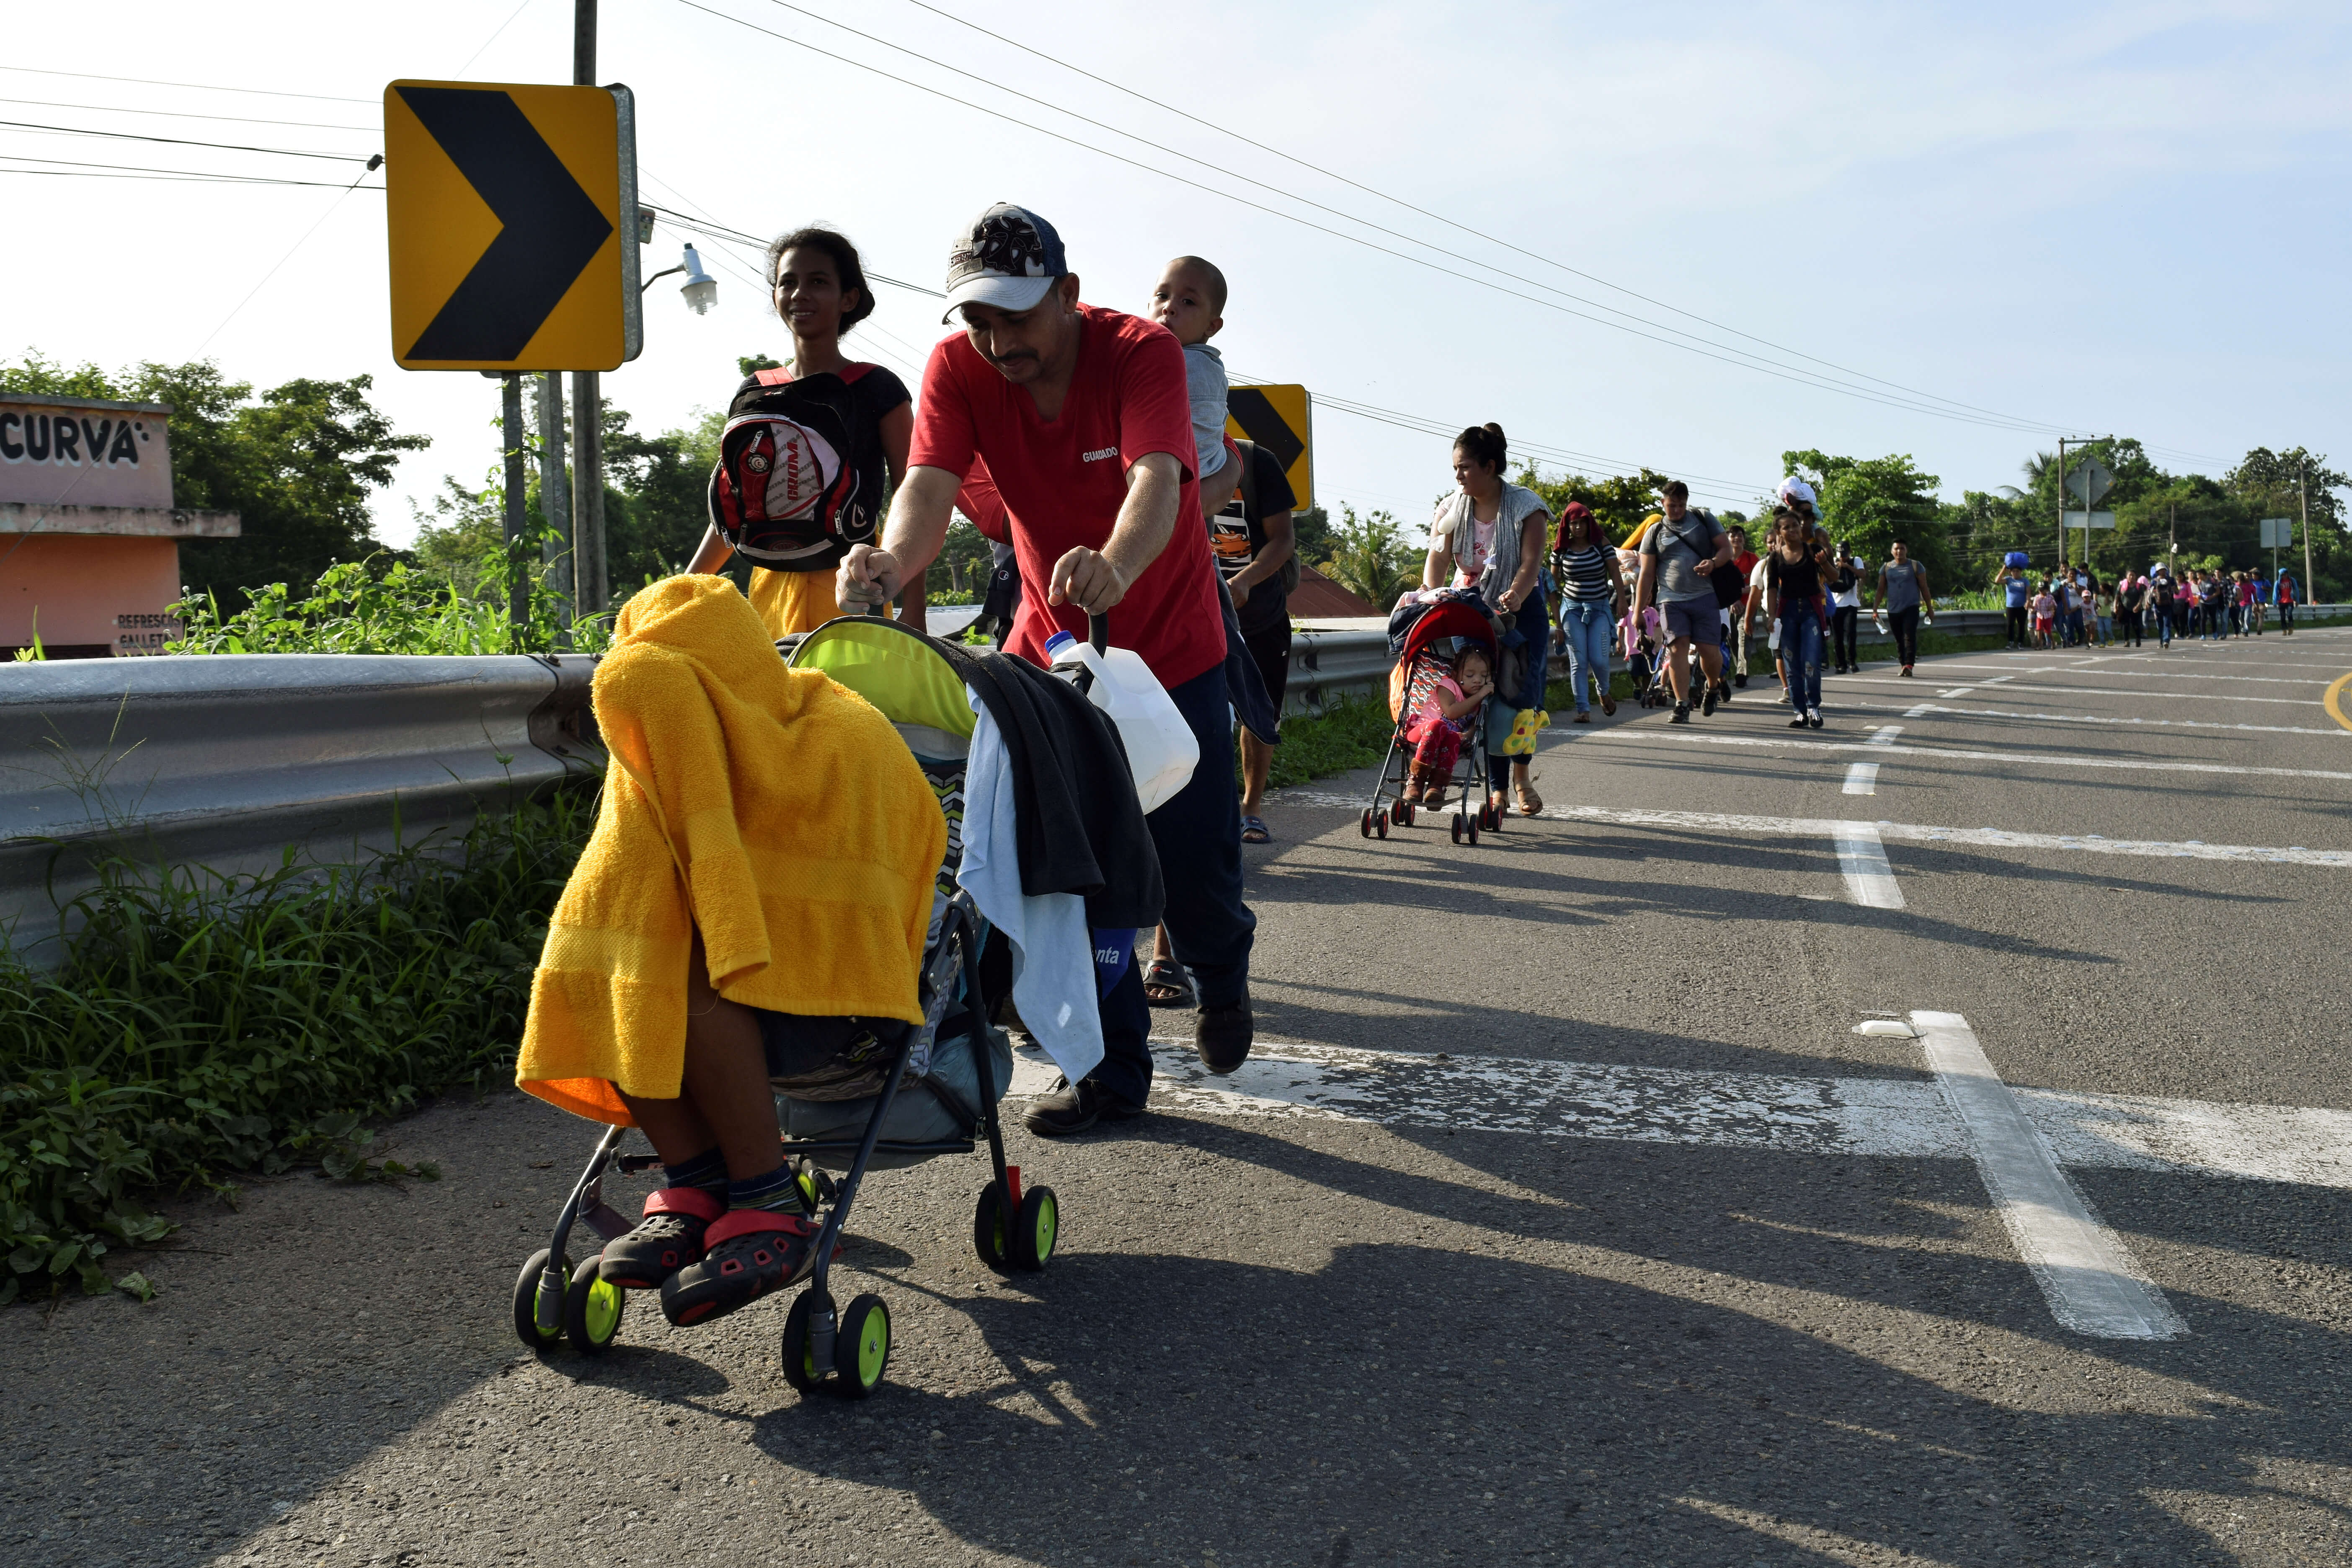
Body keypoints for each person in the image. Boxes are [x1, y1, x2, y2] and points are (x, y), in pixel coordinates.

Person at [834, 201, 1256, 1134]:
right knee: (1075, 864)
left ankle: (1221, 974)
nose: (997, 340)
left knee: (1191, 869)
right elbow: (929, 487)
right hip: (1052, 659)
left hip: (1170, 648)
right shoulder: (958, 368)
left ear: (1067, 296)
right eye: (977, 319)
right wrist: (888, 562)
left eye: (1016, 317)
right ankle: (1108, 1071)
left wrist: (1115, 562)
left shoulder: (1138, 352)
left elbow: (1157, 476)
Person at [687, 227, 917, 636]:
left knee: (845, 697)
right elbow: (735, 507)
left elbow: (912, 501)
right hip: (769, 588)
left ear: (848, 298)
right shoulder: (755, 391)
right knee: (773, 697)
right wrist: (681, 588)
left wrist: (913, 617)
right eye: (787, 282)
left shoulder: (877, 387)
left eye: (818, 282)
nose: (799, 294)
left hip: (854, 585)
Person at [1422, 424, 1552, 815]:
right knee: (1480, 691)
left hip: (1520, 609)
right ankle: (1496, 792)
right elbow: (1438, 558)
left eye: (1464, 467)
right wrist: (1432, 592)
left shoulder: (1527, 505)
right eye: (1455, 468)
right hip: (1469, 607)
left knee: (1516, 698)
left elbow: (1531, 561)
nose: (1458, 476)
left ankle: (1521, 780)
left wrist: (1516, 594)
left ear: (1490, 466)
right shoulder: (1450, 508)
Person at [1205, 438, 1296, 836]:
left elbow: (1282, 539)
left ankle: (1250, 808)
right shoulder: (1163, 458)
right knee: (1197, 709)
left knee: (1260, 716)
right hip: (1195, 611)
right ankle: (1207, 808)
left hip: (1260, 613)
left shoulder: (1258, 462)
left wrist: (1244, 582)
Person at [1149, 254, 1241, 518]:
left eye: (1188, 301)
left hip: (1183, 488)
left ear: (1212, 326)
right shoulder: (1205, 364)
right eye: (1162, 296)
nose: (1169, 307)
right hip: (1194, 491)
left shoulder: (1192, 365)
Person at [1634, 480, 1731, 722]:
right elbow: (1646, 574)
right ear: (1663, 503)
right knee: (1677, 648)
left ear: (1687, 503)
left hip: (1704, 596)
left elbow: (1726, 550)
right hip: (1670, 600)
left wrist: (1713, 563)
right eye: (1671, 505)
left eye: (1681, 505)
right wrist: (1637, 612)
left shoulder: (1703, 519)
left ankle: (1712, 687)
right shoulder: (1654, 532)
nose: (1676, 510)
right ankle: (1682, 704)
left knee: (1710, 652)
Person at [1550, 501, 1624, 723]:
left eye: (1583, 522)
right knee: (1579, 661)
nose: (1579, 527)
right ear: (1567, 527)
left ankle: (1603, 691)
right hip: (1572, 610)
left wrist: (1622, 599)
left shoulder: (1602, 545)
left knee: (1600, 661)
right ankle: (1583, 709)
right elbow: (1552, 588)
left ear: (1589, 524)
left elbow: (1614, 571)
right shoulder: (1561, 551)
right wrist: (1558, 624)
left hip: (1600, 608)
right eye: (1574, 524)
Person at [1400, 644, 1494, 801]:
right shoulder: (1448, 685)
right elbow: (1451, 712)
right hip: (1421, 733)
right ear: (1456, 675)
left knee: (1453, 737)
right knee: (1438, 726)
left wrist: (1467, 736)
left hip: (1446, 742)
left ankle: (1437, 786)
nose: (1477, 681)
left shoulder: (1481, 703)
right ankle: (1416, 781)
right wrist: (1481, 695)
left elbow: (1475, 726)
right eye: (1470, 676)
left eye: (1484, 676)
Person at [1766, 505, 1829, 728]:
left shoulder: (1813, 551)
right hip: (1788, 613)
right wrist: (1772, 616)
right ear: (1779, 533)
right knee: (1792, 664)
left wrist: (1824, 563)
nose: (1792, 530)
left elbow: (1834, 577)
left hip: (1811, 611)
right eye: (1786, 527)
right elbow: (1772, 588)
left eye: (1795, 525)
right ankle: (1799, 711)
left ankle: (1814, 708)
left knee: (1812, 661)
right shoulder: (1775, 558)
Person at [1872, 540, 1935, 675]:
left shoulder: (1916, 566)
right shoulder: (1887, 568)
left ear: (1907, 550)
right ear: (1892, 551)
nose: (1899, 551)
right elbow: (1880, 590)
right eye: (1897, 549)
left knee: (1909, 636)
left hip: (1911, 607)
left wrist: (1930, 609)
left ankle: (1909, 665)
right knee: (1899, 639)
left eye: (1902, 549)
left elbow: (1924, 588)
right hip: (1893, 610)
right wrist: (1875, 609)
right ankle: (1903, 665)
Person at [1828, 545, 1862, 673]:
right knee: (1837, 637)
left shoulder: (1855, 560)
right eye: (1840, 554)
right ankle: (1840, 664)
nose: (1842, 557)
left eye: (1845, 554)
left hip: (1851, 604)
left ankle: (1852, 662)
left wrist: (1847, 566)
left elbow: (1862, 574)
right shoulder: (1832, 560)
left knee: (1851, 634)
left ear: (1850, 552)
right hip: (1836, 604)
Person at [1998, 560, 2031, 648]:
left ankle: (2020, 642)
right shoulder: (2008, 580)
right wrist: (2003, 569)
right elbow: (1997, 581)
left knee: (2021, 625)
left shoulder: (2025, 581)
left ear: (2021, 572)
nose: (2016, 573)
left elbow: (2028, 592)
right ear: (2011, 572)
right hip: (2010, 607)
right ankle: (2010, 642)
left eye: (2018, 571)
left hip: (2022, 606)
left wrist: (2028, 601)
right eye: (2014, 571)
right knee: (2010, 625)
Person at [2031, 580, 2057, 650]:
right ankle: (2040, 645)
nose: (2041, 592)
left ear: (2047, 590)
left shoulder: (2050, 597)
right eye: (2040, 590)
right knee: (2039, 630)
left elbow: (2055, 605)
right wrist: (2030, 607)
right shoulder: (2037, 597)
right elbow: (2035, 607)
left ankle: (2053, 642)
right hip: (2040, 616)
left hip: (2048, 616)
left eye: (2043, 590)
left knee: (2048, 631)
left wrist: (2051, 606)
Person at [2277, 568, 2299, 634]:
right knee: (2283, 617)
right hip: (2281, 602)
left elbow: (2296, 590)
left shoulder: (2292, 581)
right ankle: (2284, 630)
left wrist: (2297, 600)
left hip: (2290, 601)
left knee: (2289, 615)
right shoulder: (2278, 582)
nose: (2283, 576)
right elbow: (2275, 592)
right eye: (2282, 575)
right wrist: (2275, 601)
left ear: (2287, 574)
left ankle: (2291, 627)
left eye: (2285, 575)